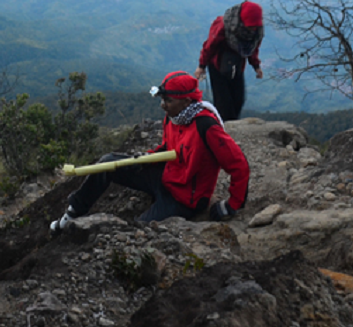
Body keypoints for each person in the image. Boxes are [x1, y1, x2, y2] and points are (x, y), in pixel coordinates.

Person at [50, 71, 249, 233]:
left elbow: (238, 165)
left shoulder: (206, 127)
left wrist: (232, 204)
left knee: (137, 230)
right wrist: (148, 158)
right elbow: (168, 148)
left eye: (168, 100)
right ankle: (73, 213)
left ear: (187, 102)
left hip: (185, 199)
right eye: (162, 99)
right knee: (107, 163)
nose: (163, 105)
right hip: (165, 177)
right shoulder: (174, 117)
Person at [194, 0, 265, 122]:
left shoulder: (256, 32)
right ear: (243, 20)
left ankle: (231, 129)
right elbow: (210, 46)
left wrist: (256, 66)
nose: (253, 29)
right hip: (217, 66)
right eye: (250, 26)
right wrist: (202, 65)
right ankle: (222, 130)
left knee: (238, 99)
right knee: (223, 103)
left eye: (255, 26)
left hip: (237, 65)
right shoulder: (223, 26)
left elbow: (253, 48)